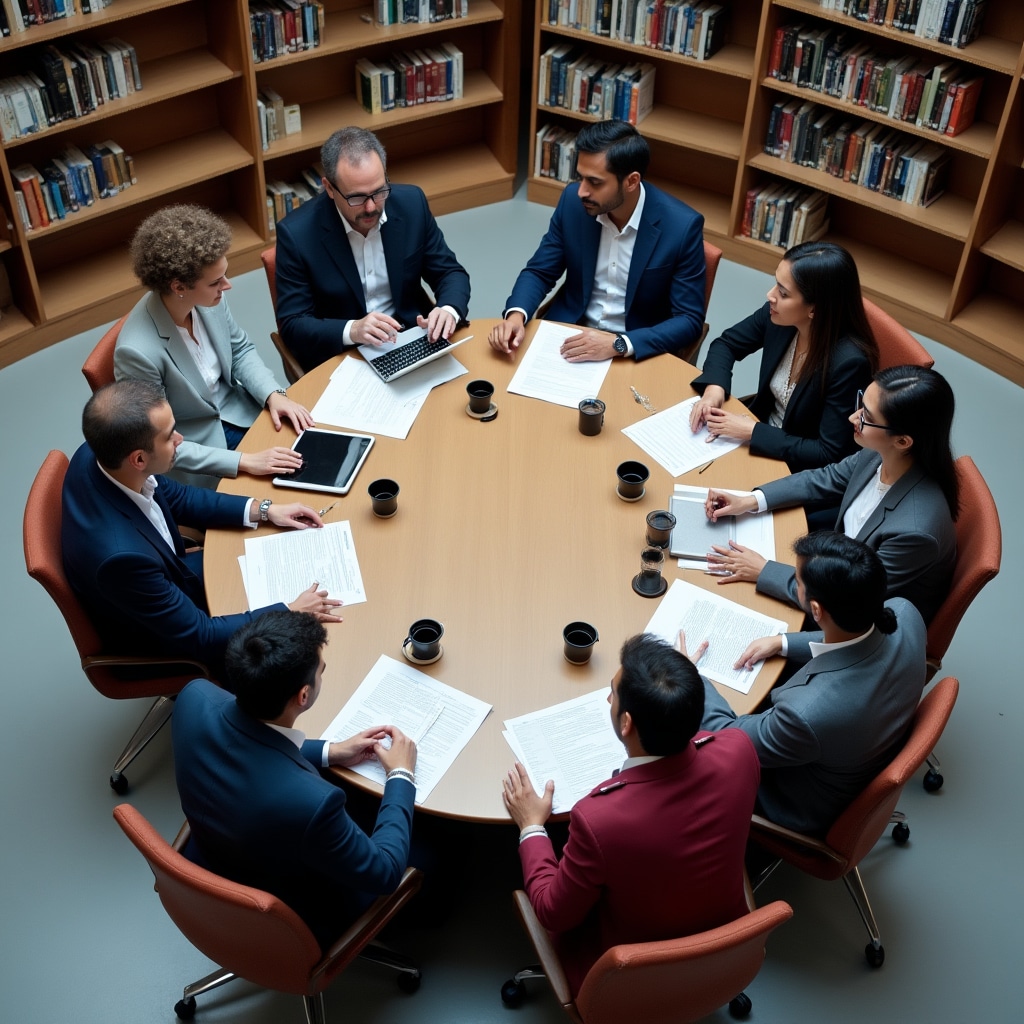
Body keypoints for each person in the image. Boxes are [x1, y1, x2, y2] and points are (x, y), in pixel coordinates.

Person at [501, 633, 759, 996]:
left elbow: (552, 912)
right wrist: (677, 688)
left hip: (629, 979)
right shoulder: (739, 751)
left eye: (612, 692)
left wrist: (530, 827)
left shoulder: (599, 819)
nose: (608, 698)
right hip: (723, 945)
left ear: (626, 724)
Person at [61, 381, 342, 677]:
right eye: (170, 437)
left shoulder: (100, 453)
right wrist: (290, 612)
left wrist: (265, 509)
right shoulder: (121, 558)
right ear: (139, 459)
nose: (180, 439)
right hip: (165, 637)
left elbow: (179, 497)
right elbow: (200, 636)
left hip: (164, 577)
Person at [173, 612, 417, 949]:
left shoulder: (193, 697)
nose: (323, 672)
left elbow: (247, 739)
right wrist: (401, 774)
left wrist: (332, 751)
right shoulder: (313, 804)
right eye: (321, 670)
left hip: (215, 852)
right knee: (433, 849)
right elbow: (386, 872)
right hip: (294, 910)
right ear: (303, 696)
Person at [703, 365, 958, 646]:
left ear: (902, 441)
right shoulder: (882, 455)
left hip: (859, 626)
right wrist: (750, 501)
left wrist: (764, 571)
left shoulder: (916, 531)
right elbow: (825, 478)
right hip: (832, 569)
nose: (853, 417)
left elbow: (850, 598)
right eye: (861, 405)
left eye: (866, 417)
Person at [700, 532, 926, 836]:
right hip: (857, 746)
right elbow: (856, 638)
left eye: (797, 580)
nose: (795, 583)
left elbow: (729, 738)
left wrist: (689, 675)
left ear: (816, 610)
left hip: (790, 800)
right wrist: (783, 643)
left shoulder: (806, 714)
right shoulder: (905, 613)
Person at [115, 204, 314, 490]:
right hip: (198, 450)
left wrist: (274, 395)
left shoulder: (208, 300)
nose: (228, 286)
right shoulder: (136, 352)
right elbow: (157, 443)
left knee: (311, 448)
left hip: (241, 411)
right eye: (216, 282)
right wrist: (244, 461)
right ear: (179, 286)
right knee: (283, 491)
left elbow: (240, 349)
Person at [487, 120, 706, 363]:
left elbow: (689, 319)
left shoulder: (682, 227)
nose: (581, 191)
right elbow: (540, 271)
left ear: (631, 181)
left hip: (634, 348)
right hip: (568, 334)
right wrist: (516, 315)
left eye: (595, 182)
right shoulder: (573, 202)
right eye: (580, 178)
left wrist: (619, 343)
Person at [274, 126, 471, 372]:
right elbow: (293, 325)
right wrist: (353, 329)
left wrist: (448, 310)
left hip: (409, 339)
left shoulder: (412, 204)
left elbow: (450, 273)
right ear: (330, 188)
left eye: (379, 192)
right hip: (344, 357)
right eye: (356, 198)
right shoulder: (296, 235)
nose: (371, 208)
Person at [689, 241, 878, 473]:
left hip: (793, 466)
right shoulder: (779, 317)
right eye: (776, 284)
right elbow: (726, 345)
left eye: (783, 292)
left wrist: (752, 431)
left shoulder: (849, 363)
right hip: (755, 434)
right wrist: (714, 390)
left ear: (814, 309)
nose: (770, 295)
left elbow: (827, 452)